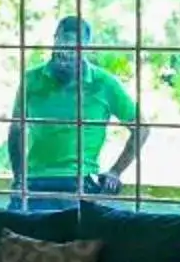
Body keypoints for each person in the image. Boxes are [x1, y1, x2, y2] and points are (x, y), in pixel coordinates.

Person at [9, 16, 142, 199]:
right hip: (35, 179)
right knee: (14, 223)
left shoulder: (104, 83)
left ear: (85, 49)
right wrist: (18, 177)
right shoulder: (31, 79)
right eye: (60, 43)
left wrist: (115, 172)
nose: (63, 53)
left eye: (72, 48)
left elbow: (141, 129)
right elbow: (16, 130)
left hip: (81, 180)